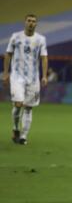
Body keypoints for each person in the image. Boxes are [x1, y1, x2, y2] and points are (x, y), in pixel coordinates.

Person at [2, 14, 48, 145]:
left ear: (36, 24)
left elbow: (44, 58)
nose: (31, 23)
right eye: (29, 21)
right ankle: (16, 128)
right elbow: (8, 54)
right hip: (17, 76)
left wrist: (44, 76)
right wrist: (5, 73)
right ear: (24, 22)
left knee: (28, 108)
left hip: (33, 79)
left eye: (34, 21)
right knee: (18, 104)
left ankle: (23, 136)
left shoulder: (41, 39)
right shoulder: (16, 37)